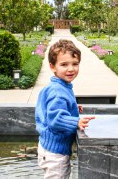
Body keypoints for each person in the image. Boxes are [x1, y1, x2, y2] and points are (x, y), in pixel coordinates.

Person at [35, 39, 95, 179]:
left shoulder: (59, 86)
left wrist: (72, 108)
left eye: (75, 64)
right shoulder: (57, 91)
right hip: (55, 153)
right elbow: (55, 119)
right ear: (52, 66)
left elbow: (52, 108)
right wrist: (76, 122)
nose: (71, 69)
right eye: (64, 64)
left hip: (49, 147)